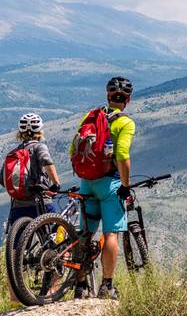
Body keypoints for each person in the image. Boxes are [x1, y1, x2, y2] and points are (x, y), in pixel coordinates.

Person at [69, 76, 135, 299]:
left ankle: (80, 286)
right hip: (110, 184)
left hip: (87, 182)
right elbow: (123, 156)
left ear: (108, 96)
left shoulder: (91, 116)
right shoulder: (125, 123)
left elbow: (73, 149)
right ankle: (107, 286)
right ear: (128, 99)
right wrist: (125, 186)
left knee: (85, 233)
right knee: (111, 233)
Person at [1, 113, 62, 301]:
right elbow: (48, 163)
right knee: (59, 237)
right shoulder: (39, 146)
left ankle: (14, 297)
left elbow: (2, 179)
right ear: (39, 131)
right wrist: (56, 184)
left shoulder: (14, 152)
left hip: (18, 206)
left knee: (14, 251)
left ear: (20, 133)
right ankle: (54, 290)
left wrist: (20, 190)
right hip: (41, 203)